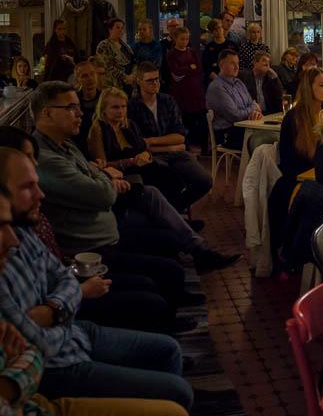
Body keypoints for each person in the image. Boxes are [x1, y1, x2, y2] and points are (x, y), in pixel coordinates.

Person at [0, 190, 221, 416]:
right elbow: (36, 354)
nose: (10, 238)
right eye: (1, 225)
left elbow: (59, 284)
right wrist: (24, 364)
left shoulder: (21, 233)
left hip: (44, 401)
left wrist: (49, 315)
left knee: (173, 394)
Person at [0, 128, 196, 335]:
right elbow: (101, 194)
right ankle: (163, 329)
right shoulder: (18, 225)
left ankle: (186, 271)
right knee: (152, 292)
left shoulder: (67, 148)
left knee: (162, 227)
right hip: (86, 254)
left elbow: (100, 178)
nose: (40, 193)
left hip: (83, 257)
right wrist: (78, 289)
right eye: (28, 157)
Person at [30, 81, 240, 272]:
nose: (79, 113)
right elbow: (101, 181)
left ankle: (194, 245)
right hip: (98, 230)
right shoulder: (51, 154)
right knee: (156, 193)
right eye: (71, 108)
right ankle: (185, 242)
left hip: (120, 192)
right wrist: (115, 171)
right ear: (47, 113)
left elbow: (98, 169)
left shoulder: (69, 143)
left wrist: (131, 161)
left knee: (169, 184)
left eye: (123, 107)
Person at [128, 61, 213, 213]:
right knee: (171, 182)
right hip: (151, 157)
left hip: (176, 153)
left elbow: (180, 137)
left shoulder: (168, 101)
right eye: (150, 80)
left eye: (157, 79)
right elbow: (139, 144)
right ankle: (173, 219)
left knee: (205, 181)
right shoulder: (132, 107)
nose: (155, 83)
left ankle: (172, 213)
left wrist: (152, 141)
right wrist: (169, 144)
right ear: (139, 81)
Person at [269, 69, 323, 260]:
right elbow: (288, 163)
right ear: (308, 88)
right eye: (322, 85)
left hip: (321, 176)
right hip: (296, 179)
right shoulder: (294, 118)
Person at [86, 87, 183, 206]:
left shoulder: (129, 124)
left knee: (175, 179)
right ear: (103, 110)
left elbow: (144, 149)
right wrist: (131, 162)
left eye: (123, 106)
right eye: (115, 107)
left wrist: (145, 155)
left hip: (141, 167)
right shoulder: (97, 129)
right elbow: (101, 166)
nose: (121, 111)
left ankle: (174, 217)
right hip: (122, 174)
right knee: (165, 181)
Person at [206, 49, 261, 149]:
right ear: (222, 65)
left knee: (272, 135)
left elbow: (253, 106)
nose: (237, 67)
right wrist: (253, 107)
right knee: (262, 141)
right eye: (232, 63)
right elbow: (234, 116)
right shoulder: (217, 87)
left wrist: (255, 112)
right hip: (227, 133)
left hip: (244, 127)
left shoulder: (239, 83)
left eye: (238, 63)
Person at [163, 27, 208, 150]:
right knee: (185, 120)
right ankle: (186, 146)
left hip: (196, 91)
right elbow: (176, 73)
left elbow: (199, 69)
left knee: (202, 120)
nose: (185, 41)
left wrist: (187, 69)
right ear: (175, 39)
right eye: (182, 39)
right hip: (181, 93)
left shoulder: (192, 52)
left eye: (187, 39)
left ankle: (205, 147)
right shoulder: (171, 54)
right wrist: (190, 68)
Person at [71, 58, 104, 153]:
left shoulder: (104, 99)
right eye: (84, 76)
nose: (90, 78)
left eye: (92, 74)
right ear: (78, 79)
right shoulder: (73, 102)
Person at [94, 18, 134, 91]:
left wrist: (133, 75)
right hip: (113, 84)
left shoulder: (126, 46)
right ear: (110, 29)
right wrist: (125, 77)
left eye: (122, 28)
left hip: (129, 84)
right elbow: (106, 66)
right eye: (117, 27)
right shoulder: (104, 45)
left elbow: (133, 61)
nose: (120, 30)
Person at [44, 18, 79, 82]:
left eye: (64, 29)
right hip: (57, 76)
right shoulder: (51, 45)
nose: (62, 31)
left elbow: (77, 58)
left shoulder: (70, 43)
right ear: (55, 30)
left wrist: (71, 60)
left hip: (71, 72)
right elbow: (47, 63)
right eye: (59, 29)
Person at [201, 19, 233, 84]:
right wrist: (213, 76)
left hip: (230, 77)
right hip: (214, 79)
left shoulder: (232, 45)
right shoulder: (208, 47)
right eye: (215, 29)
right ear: (212, 32)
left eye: (220, 27)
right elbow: (205, 66)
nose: (218, 31)